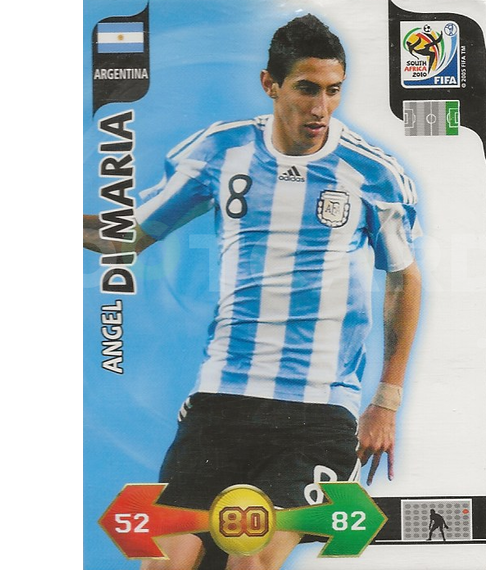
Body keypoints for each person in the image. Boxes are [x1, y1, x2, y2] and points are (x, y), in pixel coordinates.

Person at [84, 14, 422, 570]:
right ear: (271, 84)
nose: (321, 107)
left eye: (333, 90)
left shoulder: (372, 173)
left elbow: (404, 279)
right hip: (223, 401)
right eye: (306, 88)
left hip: (317, 411)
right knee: (166, 561)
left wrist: (385, 401)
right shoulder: (222, 150)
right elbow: (126, 236)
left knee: (251, 559)